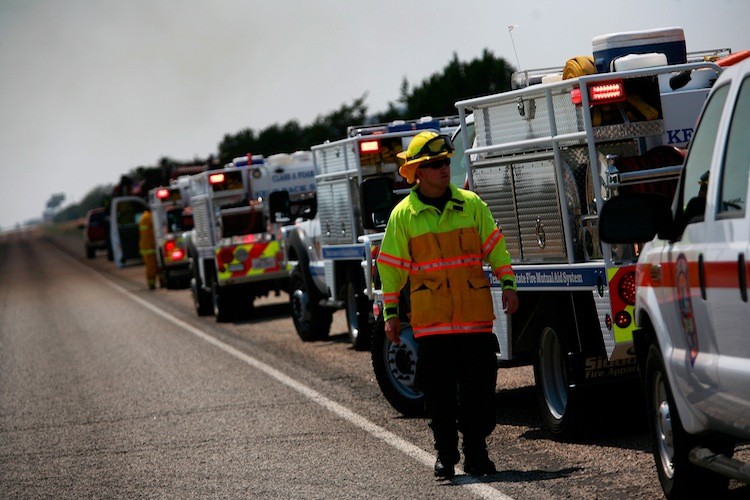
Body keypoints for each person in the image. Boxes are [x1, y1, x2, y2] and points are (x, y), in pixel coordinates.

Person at [376, 131, 519, 479]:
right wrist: (391, 315)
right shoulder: (403, 216)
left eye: (446, 162)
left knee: (480, 396)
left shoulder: (471, 204)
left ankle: (476, 454)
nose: (444, 169)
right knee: (439, 398)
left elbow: (496, 248)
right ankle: (446, 456)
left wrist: (509, 282)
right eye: (436, 164)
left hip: (474, 321)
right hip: (432, 325)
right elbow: (390, 270)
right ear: (417, 172)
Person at [137, 208, 158, 289]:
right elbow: (152, 233)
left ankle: (156, 282)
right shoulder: (148, 217)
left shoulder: (144, 217)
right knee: (151, 266)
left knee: (153, 265)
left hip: (148, 246)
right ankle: (151, 283)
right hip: (149, 246)